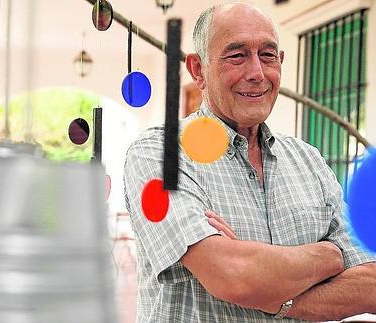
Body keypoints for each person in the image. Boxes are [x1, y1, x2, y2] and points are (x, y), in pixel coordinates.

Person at [123, 2, 376, 322]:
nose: (256, 73)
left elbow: (370, 283)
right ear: (198, 70)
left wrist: (275, 297)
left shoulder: (309, 161)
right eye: (236, 55)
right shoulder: (160, 153)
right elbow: (234, 275)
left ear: (280, 62)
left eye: (268, 55)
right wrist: (330, 255)